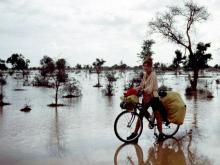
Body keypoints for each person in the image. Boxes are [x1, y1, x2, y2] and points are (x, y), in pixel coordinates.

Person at [127, 56, 167, 141]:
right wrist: (134, 89)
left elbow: (150, 88)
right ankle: (135, 135)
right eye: (144, 66)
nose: (145, 68)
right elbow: (142, 85)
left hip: (153, 97)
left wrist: (142, 91)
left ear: (150, 66)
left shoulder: (153, 75)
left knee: (157, 115)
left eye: (146, 66)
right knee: (140, 115)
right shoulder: (145, 74)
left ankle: (161, 134)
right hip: (146, 97)